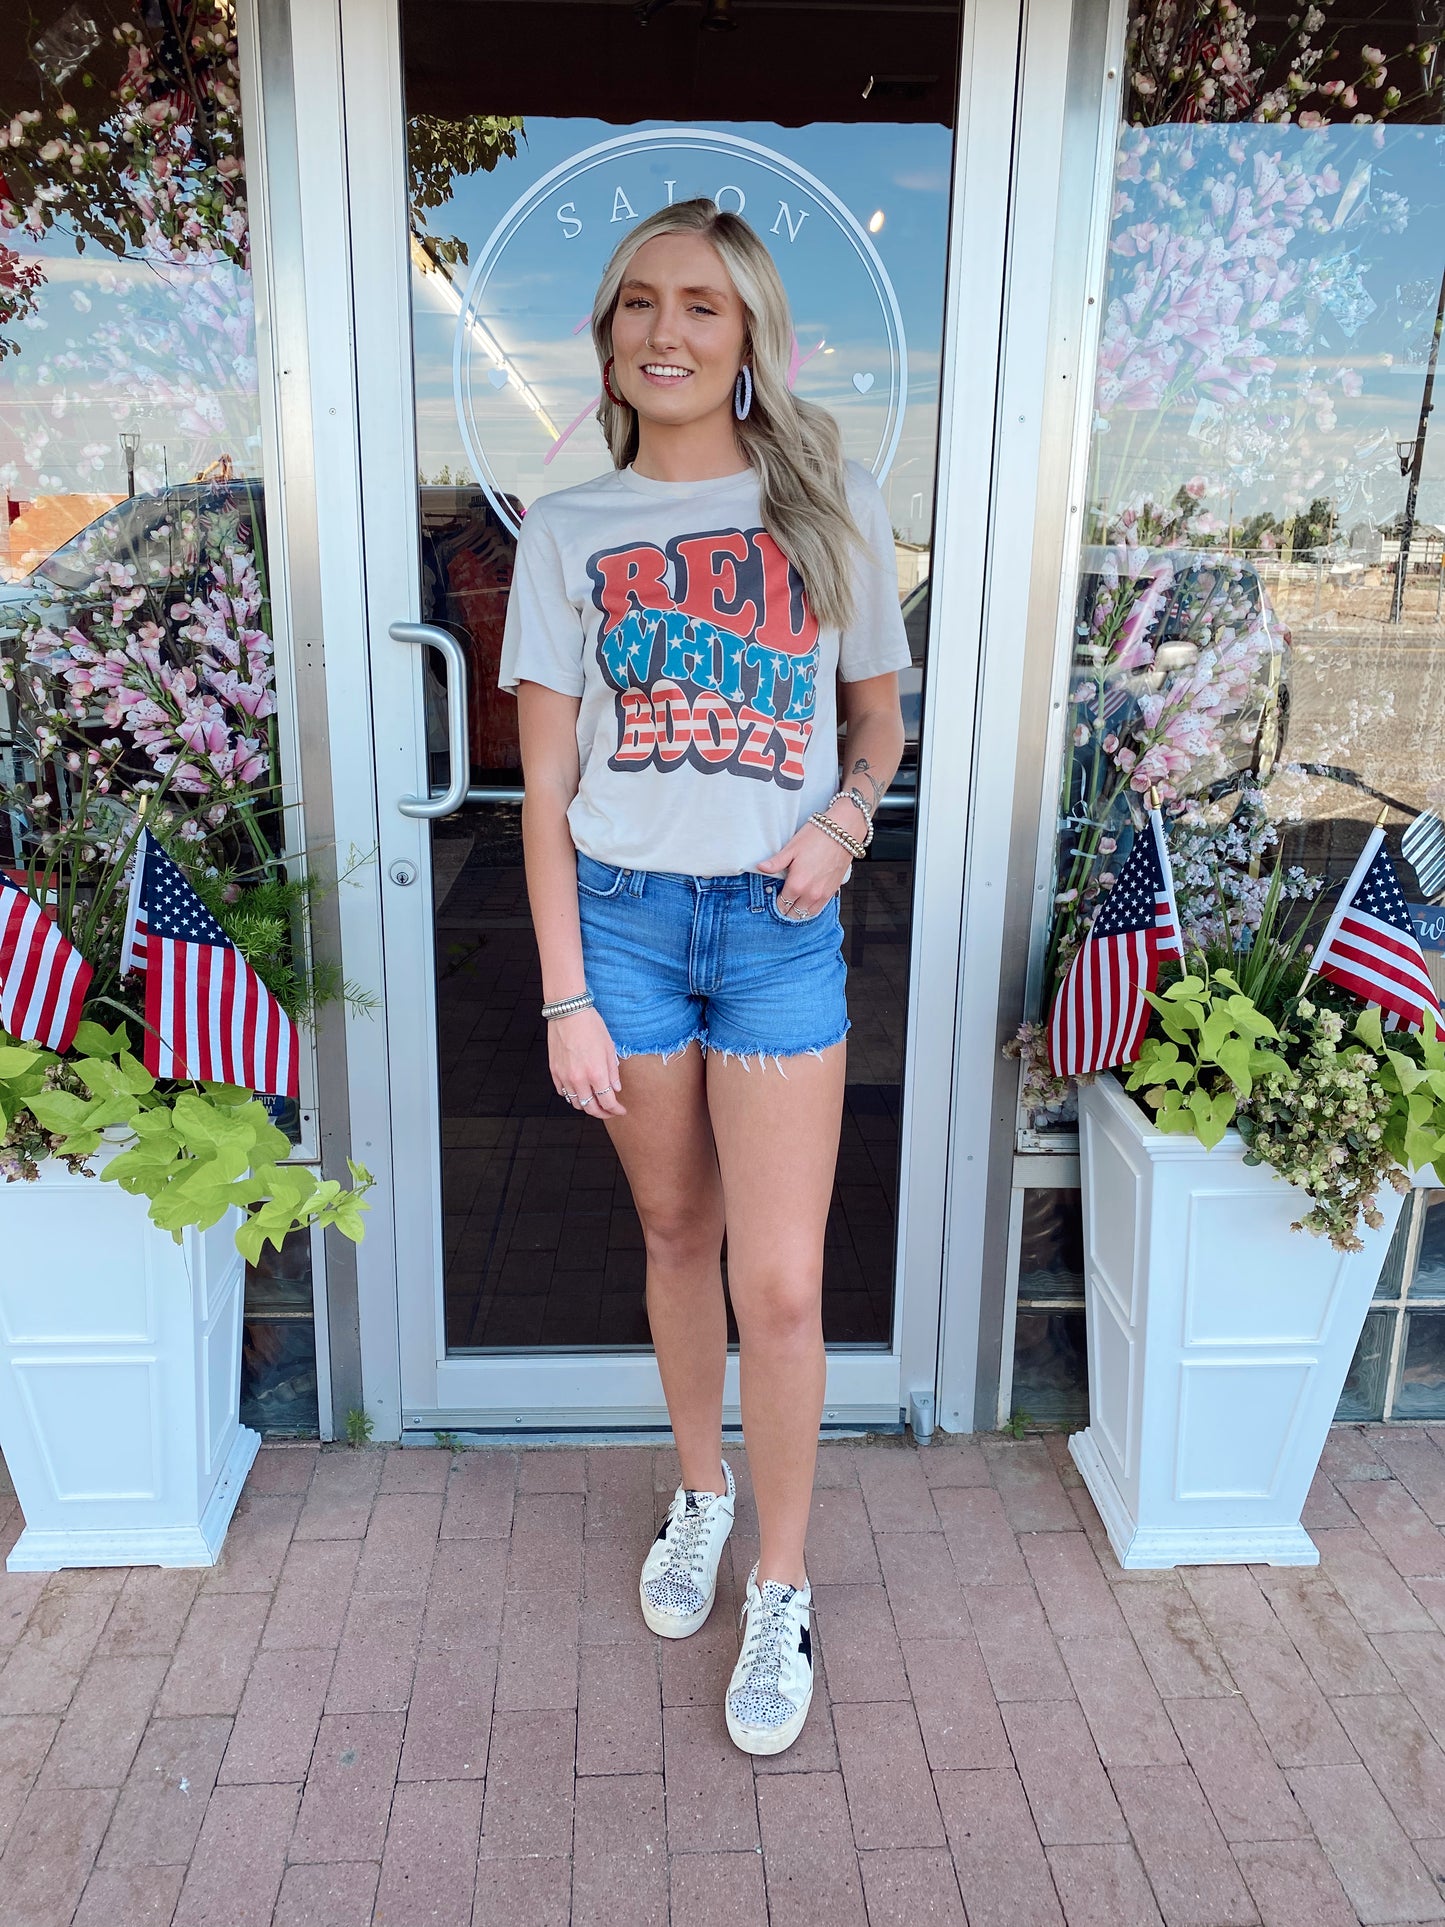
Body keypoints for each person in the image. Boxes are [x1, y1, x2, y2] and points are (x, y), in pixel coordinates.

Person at [499, 197, 908, 1756]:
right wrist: (562, 994)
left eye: (700, 309)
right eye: (636, 306)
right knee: (676, 1226)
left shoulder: (832, 507)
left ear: (748, 341)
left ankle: (780, 1586)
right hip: (618, 925)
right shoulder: (568, 530)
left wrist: (847, 821)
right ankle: (701, 1491)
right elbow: (538, 792)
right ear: (608, 336)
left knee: (784, 1281)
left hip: (776, 924)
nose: (662, 333)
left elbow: (875, 720)